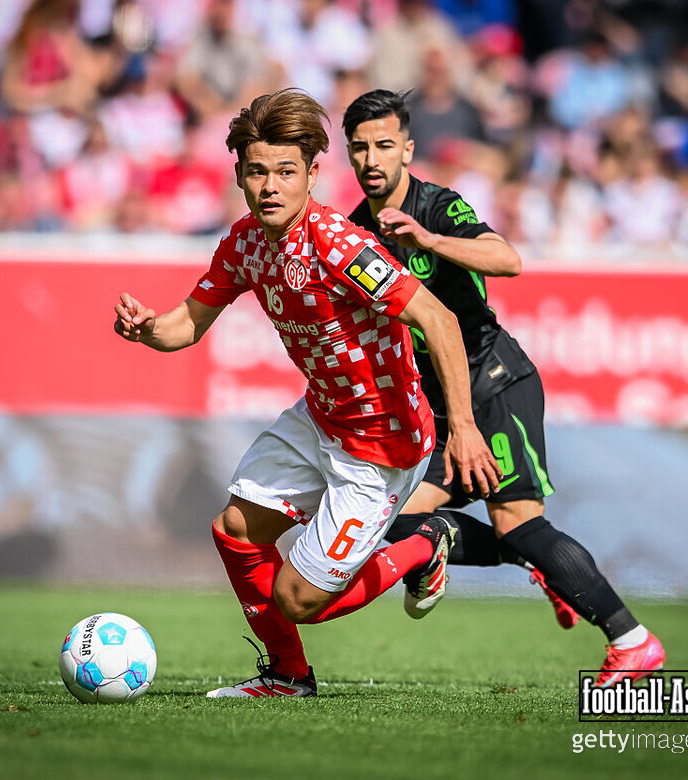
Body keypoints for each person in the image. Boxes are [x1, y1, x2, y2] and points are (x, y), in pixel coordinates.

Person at [113, 89, 498, 698]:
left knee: (299, 600)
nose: (270, 185)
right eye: (257, 171)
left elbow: (440, 319)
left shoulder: (339, 245)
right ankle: (289, 677)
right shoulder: (244, 243)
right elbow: (186, 324)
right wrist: (146, 330)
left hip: (383, 443)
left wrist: (467, 429)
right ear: (239, 174)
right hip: (321, 417)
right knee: (236, 529)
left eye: (286, 172)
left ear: (313, 174)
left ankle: (426, 544)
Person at [342, 89, 665, 688]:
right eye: (359, 148)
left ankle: (632, 640)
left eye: (384, 145)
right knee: (390, 524)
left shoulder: (437, 207)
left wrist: (429, 241)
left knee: (518, 521)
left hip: (495, 385)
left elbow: (508, 258)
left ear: (407, 150)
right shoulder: (355, 232)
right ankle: (536, 562)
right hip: (441, 410)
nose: (371, 159)